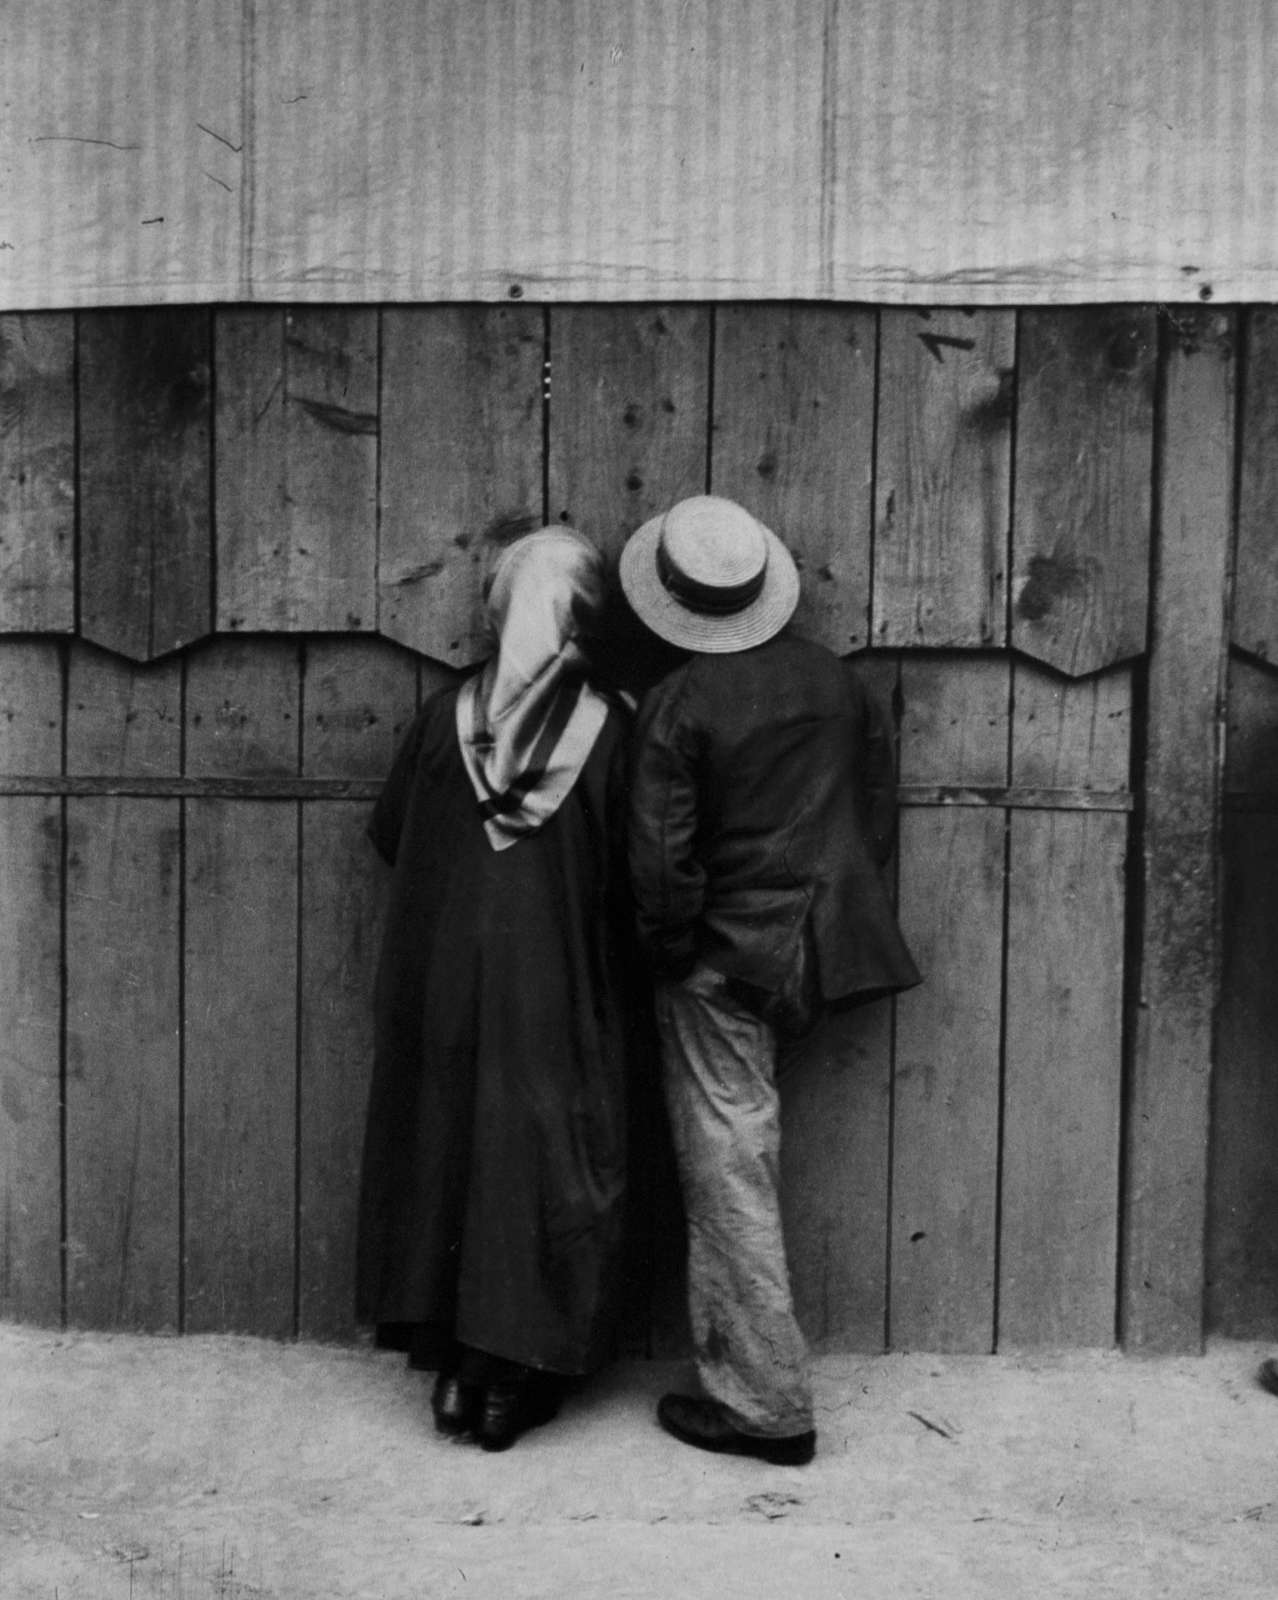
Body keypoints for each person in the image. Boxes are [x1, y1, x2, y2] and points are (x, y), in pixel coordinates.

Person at [621, 494, 922, 1465]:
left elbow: (658, 862)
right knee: (745, 1148)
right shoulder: (839, 683)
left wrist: (672, 958)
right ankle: (757, 1382)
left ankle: (764, 1404)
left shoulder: (681, 701)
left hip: (724, 960)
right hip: (820, 952)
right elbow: (877, 822)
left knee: (728, 1163)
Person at [356, 522, 638, 1451]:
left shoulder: (443, 719)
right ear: (588, 612)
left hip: (445, 982)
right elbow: (642, 872)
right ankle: (509, 1376)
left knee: (450, 1146)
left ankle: (450, 1374)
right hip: (560, 982)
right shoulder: (614, 727)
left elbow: (393, 834)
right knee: (544, 1158)